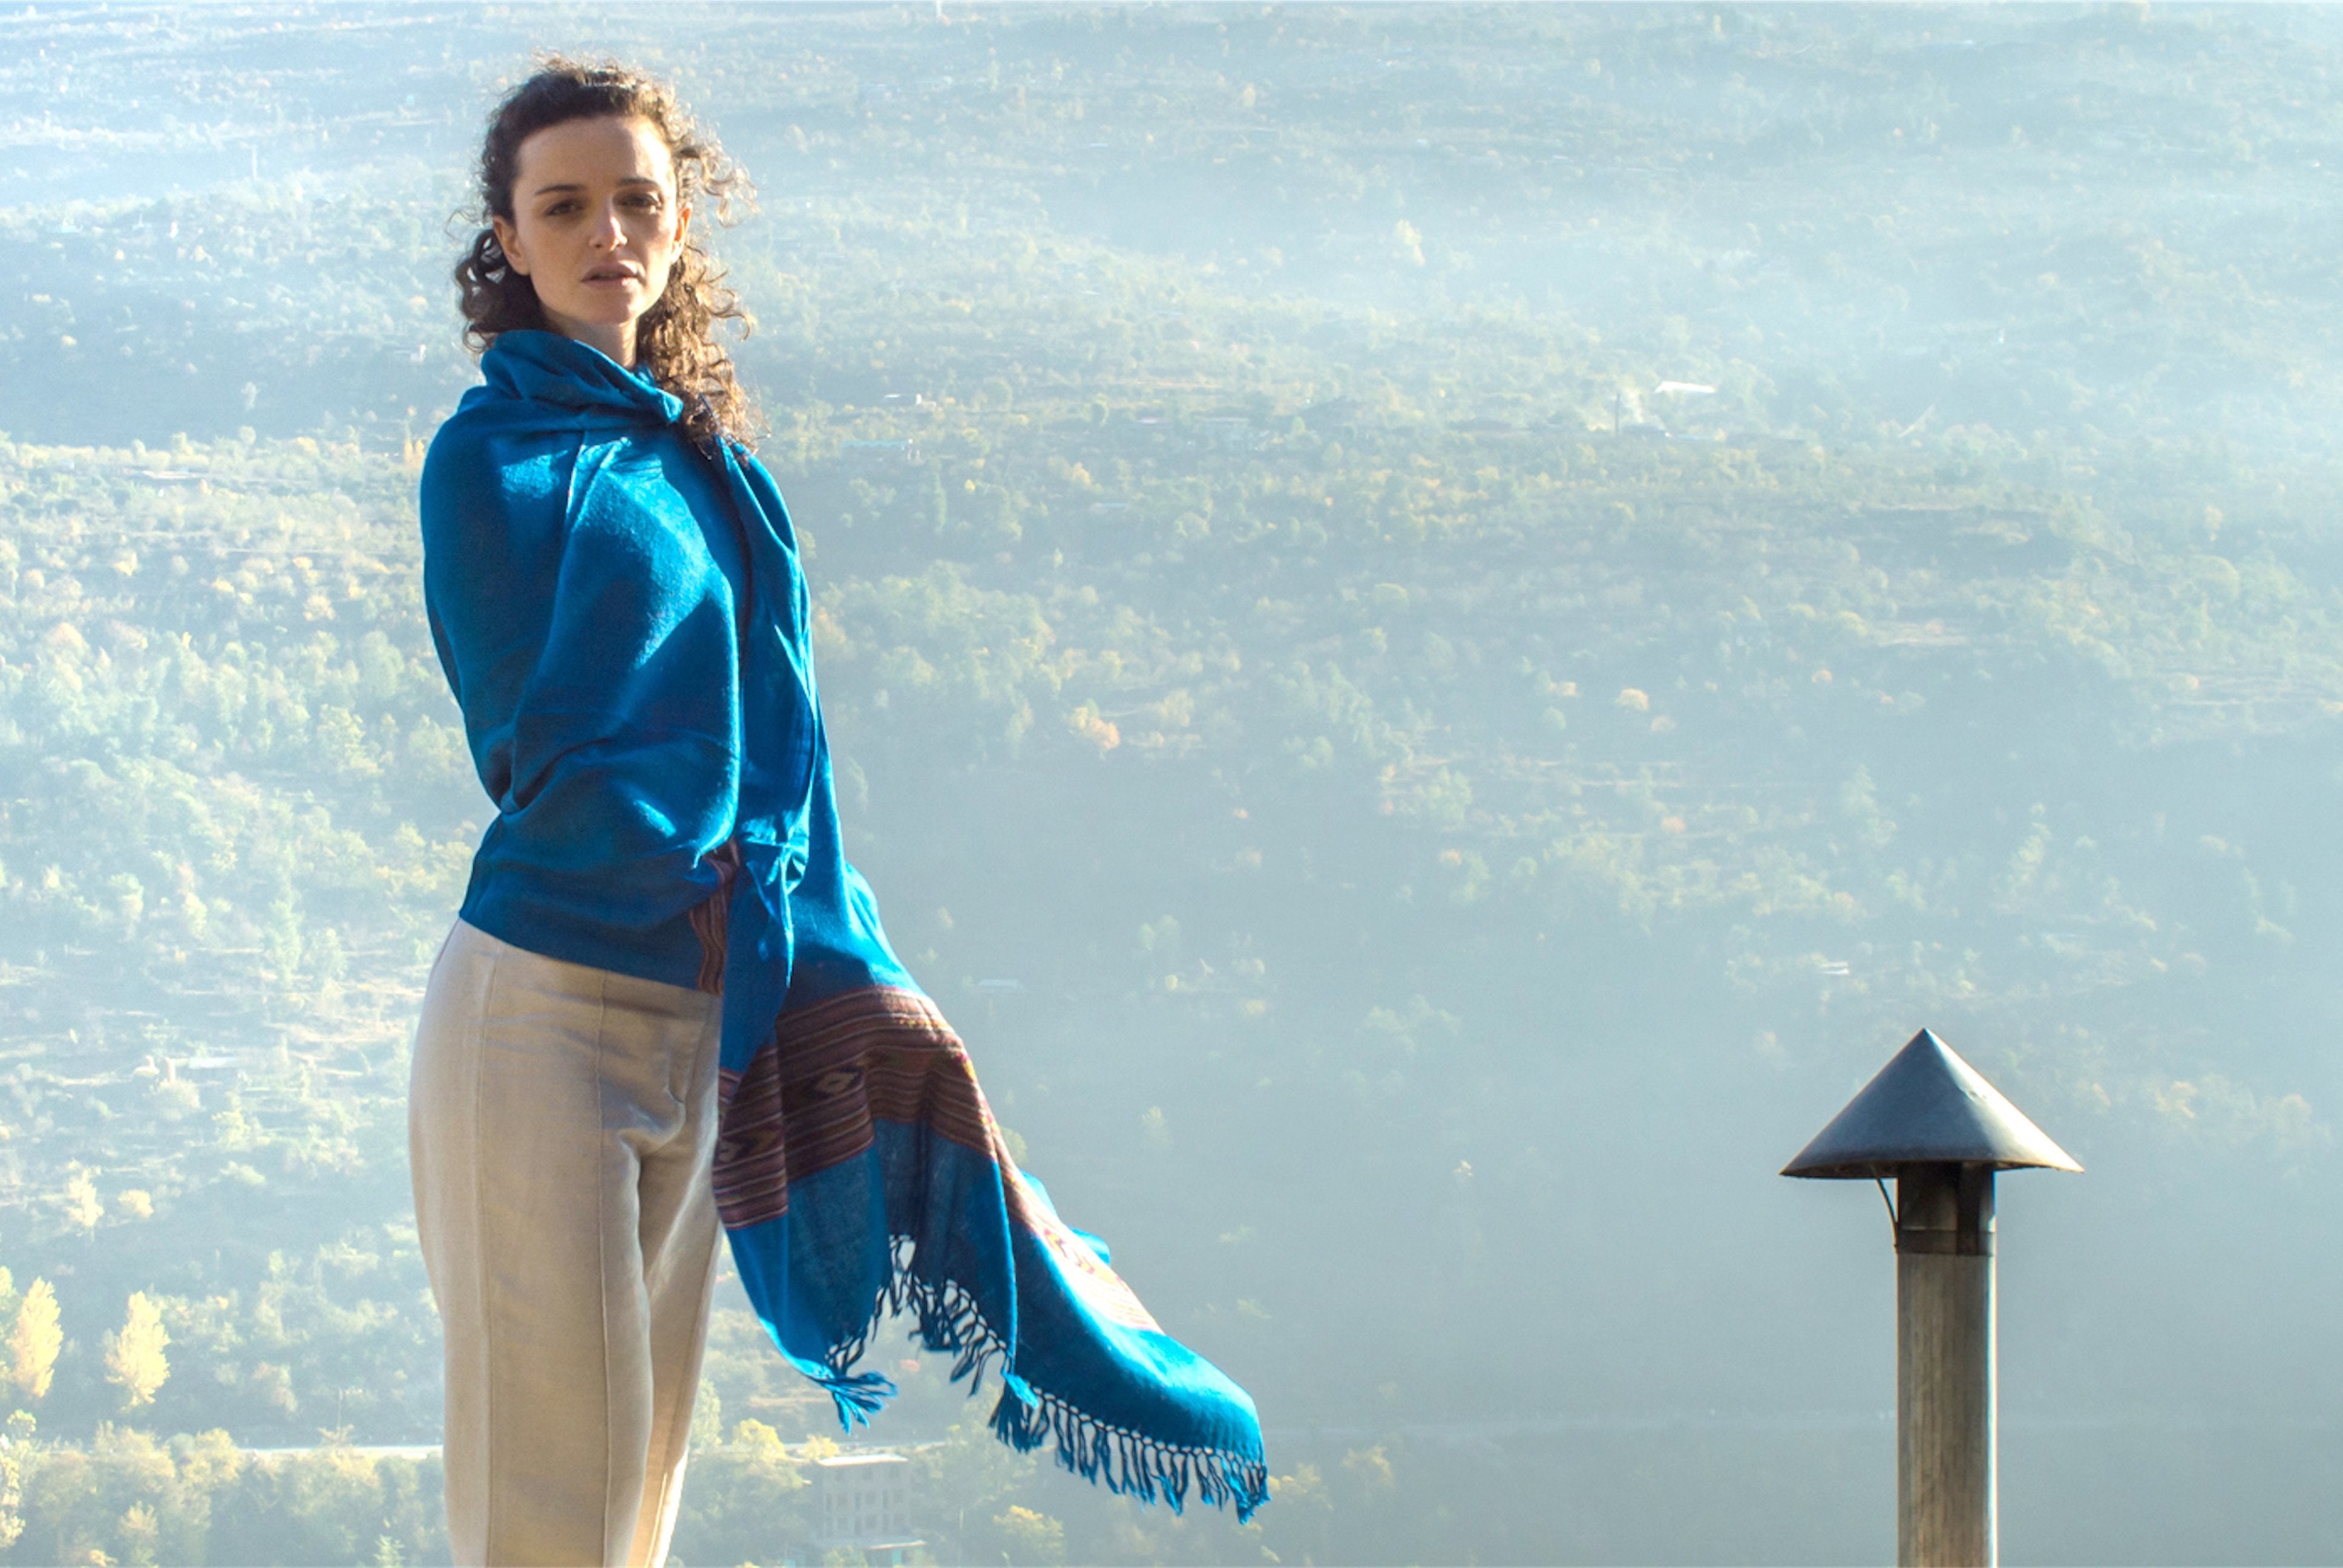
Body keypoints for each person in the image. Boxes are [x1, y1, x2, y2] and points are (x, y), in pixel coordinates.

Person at [414, 56, 1266, 1568]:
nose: (607, 231)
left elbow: (785, 760)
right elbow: (527, 740)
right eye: (566, 206)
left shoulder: (713, 471)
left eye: (637, 202)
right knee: (549, 1487)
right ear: (512, 237)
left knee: (637, 1494)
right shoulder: (491, 460)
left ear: (678, 229)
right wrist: (699, 856)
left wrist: (837, 954)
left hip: (707, 1012)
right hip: (538, 1007)